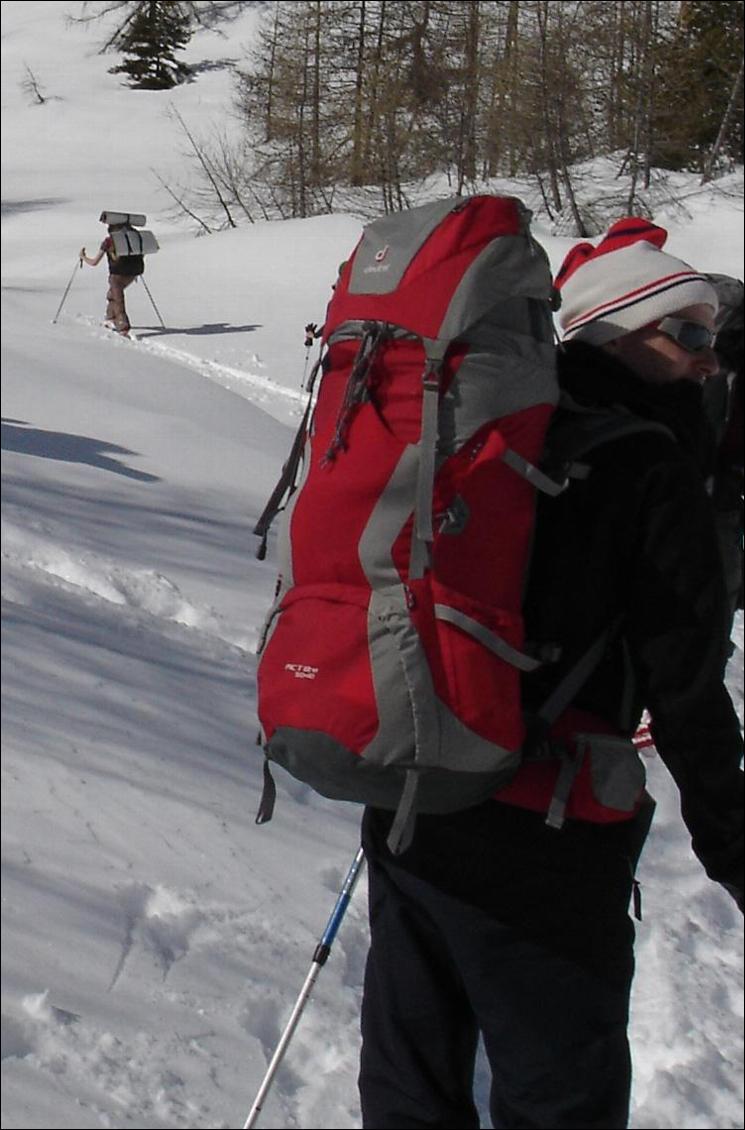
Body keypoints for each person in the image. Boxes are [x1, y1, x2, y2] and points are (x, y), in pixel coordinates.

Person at [358, 217, 743, 1130]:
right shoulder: (645, 466)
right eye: (684, 334)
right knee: (556, 1093)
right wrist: (733, 846)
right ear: (614, 330)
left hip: (414, 793)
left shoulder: (485, 432)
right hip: (547, 831)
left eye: (711, 337)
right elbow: (684, 687)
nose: (708, 360)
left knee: (413, 1079)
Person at [80, 221, 143, 335]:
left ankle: (123, 326)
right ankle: (110, 318)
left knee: (118, 299)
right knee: (111, 295)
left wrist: (83, 257)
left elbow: (94, 262)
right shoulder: (134, 240)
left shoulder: (109, 242)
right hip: (133, 273)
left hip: (117, 275)